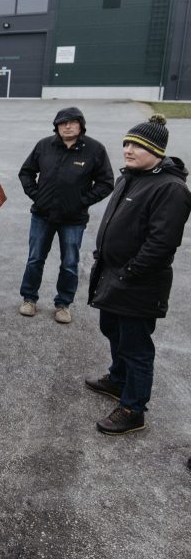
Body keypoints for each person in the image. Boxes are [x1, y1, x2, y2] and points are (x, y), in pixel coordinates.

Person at [84, 119, 191, 435]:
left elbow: (161, 243)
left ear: (156, 151)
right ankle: (118, 380)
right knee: (111, 328)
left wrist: (129, 273)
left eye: (137, 146)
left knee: (136, 347)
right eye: (126, 144)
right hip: (112, 275)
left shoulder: (171, 189)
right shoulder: (130, 177)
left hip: (138, 283)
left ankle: (133, 409)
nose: (128, 150)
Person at [18, 107, 114, 324]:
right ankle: (29, 299)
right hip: (42, 215)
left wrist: (81, 201)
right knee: (35, 259)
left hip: (73, 219)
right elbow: (26, 172)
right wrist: (36, 195)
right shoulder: (45, 146)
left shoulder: (94, 149)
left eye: (72, 122)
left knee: (70, 262)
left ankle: (63, 304)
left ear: (81, 125)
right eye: (62, 123)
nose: (67, 126)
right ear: (56, 126)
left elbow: (106, 182)